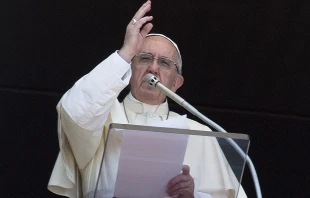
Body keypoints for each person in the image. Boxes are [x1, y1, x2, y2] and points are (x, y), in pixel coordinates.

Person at [47, 1, 247, 198]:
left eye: (164, 63)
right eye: (144, 58)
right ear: (130, 70)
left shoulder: (200, 134)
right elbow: (74, 111)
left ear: (176, 83)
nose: (153, 68)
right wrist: (125, 52)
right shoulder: (100, 120)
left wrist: (192, 195)